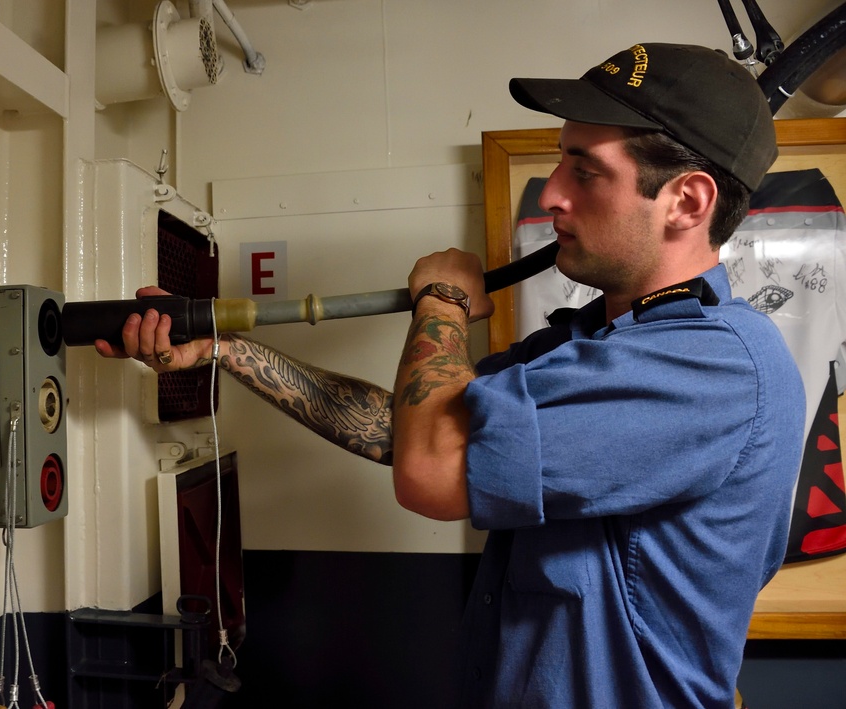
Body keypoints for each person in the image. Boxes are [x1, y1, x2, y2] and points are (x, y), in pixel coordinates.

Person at [97, 43, 806, 709]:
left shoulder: (713, 365)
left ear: (687, 201)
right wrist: (223, 348)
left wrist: (444, 299)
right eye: (560, 162)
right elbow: (401, 429)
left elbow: (429, 465)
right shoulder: (597, 343)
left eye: (585, 171)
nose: (553, 193)